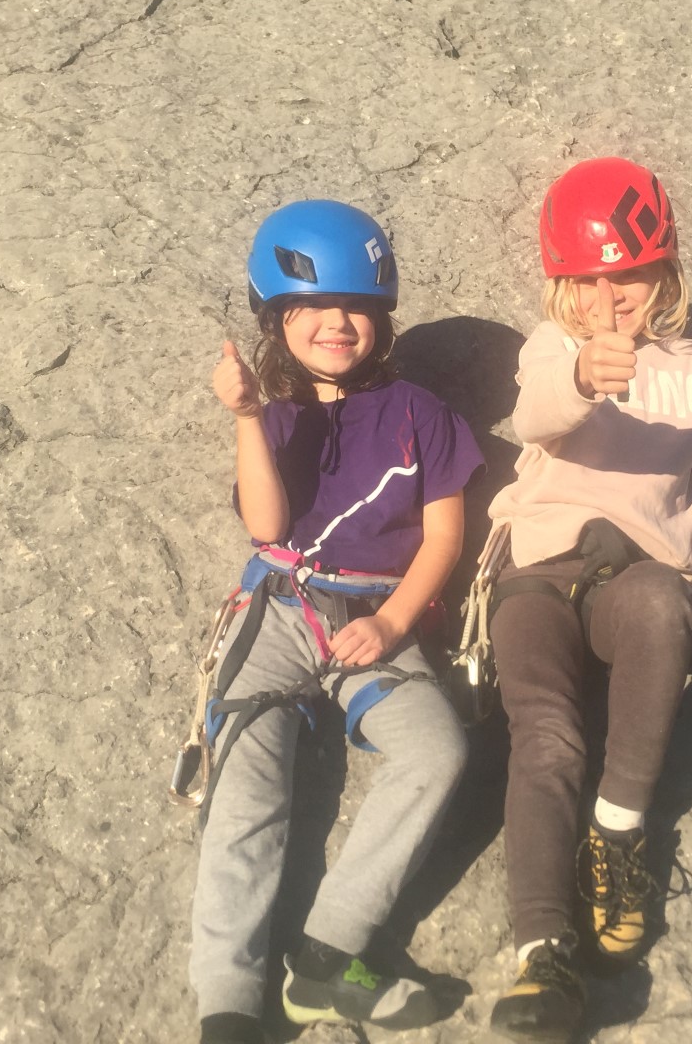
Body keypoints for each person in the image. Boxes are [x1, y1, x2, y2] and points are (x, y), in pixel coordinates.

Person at [190, 200, 483, 1044]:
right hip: (283, 607)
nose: (336, 323)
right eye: (312, 307)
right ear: (275, 320)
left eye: (356, 306)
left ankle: (326, 953)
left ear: (382, 318)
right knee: (245, 787)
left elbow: (444, 537)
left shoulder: (423, 413)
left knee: (436, 750)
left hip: (376, 614)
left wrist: (391, 626)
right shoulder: (278, 416)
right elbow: (267, 527)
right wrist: (247, 418)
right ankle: (227, 1005)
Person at [484, 158, 692, 1042]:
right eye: (589, 279)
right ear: (562, 286)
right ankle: (541, 953)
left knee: (656, 606)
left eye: (631, 274)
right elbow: (531, 416)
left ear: (665, 270)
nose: (611, 297)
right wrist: (582, 377)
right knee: (548, 738)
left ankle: (617, 832)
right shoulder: (553, 347)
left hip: (638, 577)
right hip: (537, 571)